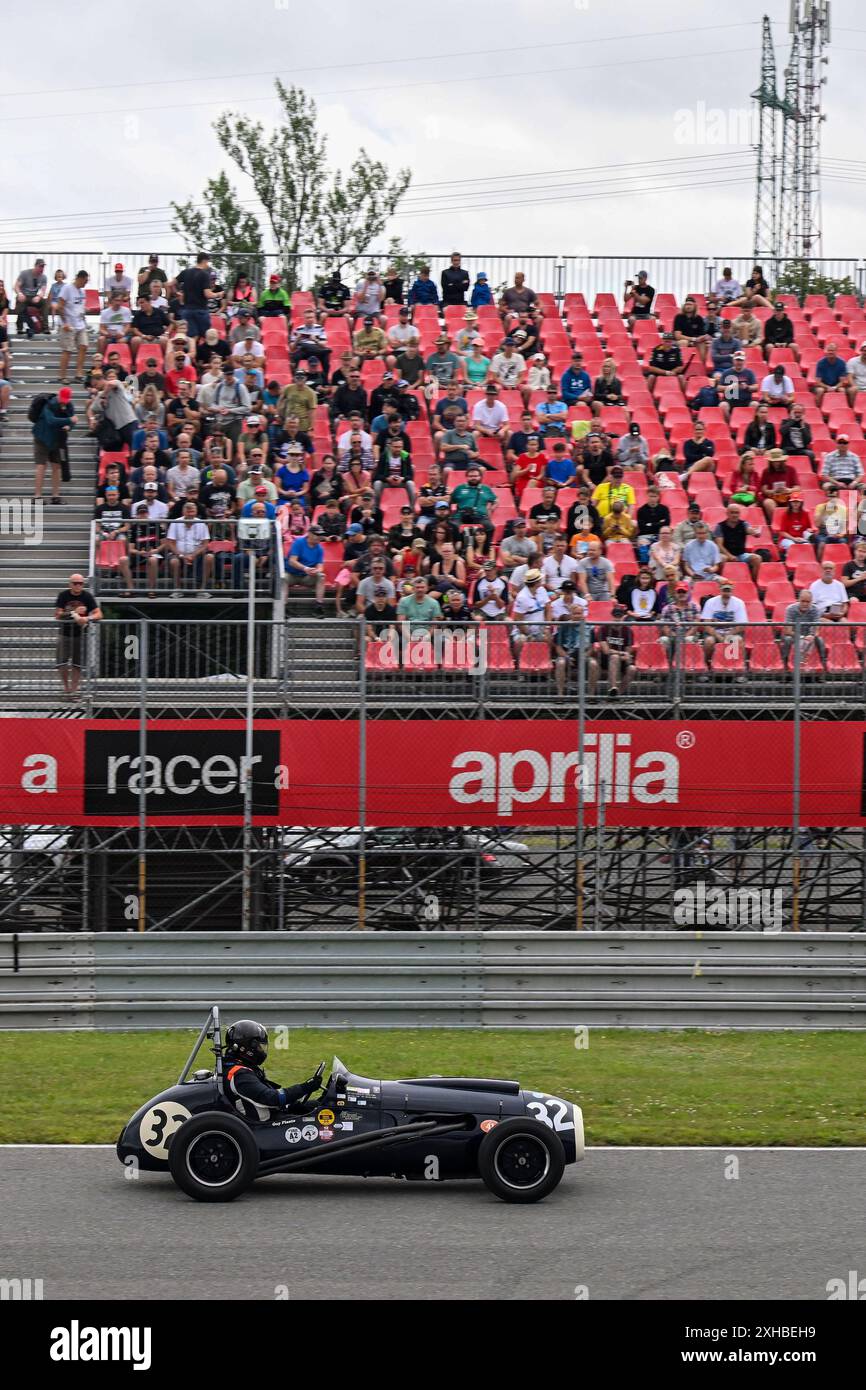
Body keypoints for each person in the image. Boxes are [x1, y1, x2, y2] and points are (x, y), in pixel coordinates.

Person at [223, 1019, 324, 1120]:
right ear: (246, 1047)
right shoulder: (240, 1074)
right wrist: (305, 1087)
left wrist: (294, 1105)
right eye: (259, 1047)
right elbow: (272, 1098)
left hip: (272, 1115)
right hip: (264, 1127)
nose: (261, 1051)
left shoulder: (241, 1068)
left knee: (319, 1106)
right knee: (321, 1121)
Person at [55, 573, 102, 696]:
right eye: (75, 583)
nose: (78, 586)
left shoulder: (87, 596)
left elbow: (99, 614)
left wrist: (87, 618)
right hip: (64, 632)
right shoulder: (63, 595)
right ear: (70, 584)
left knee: (77, 663)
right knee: (62, 662)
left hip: (80, 634)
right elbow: (58, 615)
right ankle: (66, 687)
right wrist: (74, 612)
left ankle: (74, 689)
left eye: (80, 583)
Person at [33, 386, 76, 504]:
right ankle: (37, 497)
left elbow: (73, 420)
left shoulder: (69, 405)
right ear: (59, 395)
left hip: (57, 440)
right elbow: (51, 420)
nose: (64, 402)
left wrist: (69, 426)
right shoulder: (50, 404)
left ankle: (55, 496)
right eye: (62, 399)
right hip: (42, 438)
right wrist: (69, 421)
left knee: (56, 467)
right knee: (41, 466)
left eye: (66, 400)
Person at [56, 270, 89, 384]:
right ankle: (62, 376)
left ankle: (79, 373)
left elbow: (80, 307)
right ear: (79, 278)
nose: (86, 283)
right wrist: (64, 323)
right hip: (68, 324)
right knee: (67, 350)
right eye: (85, 281)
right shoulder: (67, 288)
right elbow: (60, 306)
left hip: (80, 323)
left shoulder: (82, 292)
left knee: (84, 345)